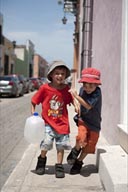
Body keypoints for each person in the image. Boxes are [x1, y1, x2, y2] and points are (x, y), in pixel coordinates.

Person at [31, 60, 78, 178]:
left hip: (62, 124)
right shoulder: (44, 88)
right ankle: (41, 161)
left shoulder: (66, 89)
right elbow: (34, 101)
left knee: (61, 146)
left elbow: (71, 99)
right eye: (57, 73)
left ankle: (59, 166)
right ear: (51, 75)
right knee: (46, 143)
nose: (60, 76)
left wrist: (76, 104)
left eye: (62, 74)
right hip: (47, 123)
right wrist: (33, 115)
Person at [67, 67, 102, 175]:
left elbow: (87, 105)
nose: (87, 88)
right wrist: (77, 105)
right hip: (83, 120)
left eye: (91, 85)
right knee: (81, 138)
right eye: (85, 85)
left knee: (90, 145)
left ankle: (79, 162)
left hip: (95, 123)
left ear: (97, 85)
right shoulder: (82, 90)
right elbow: (80, 102)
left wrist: (76, 96)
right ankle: (75, 151)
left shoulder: (97, 93)